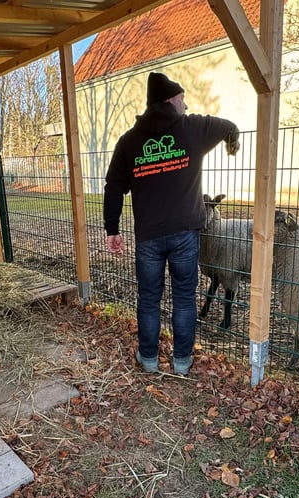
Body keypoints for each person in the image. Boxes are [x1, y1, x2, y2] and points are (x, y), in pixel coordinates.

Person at [103, 71, 240, 376]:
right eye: (182, 99)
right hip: (184, 235)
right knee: (183, 297)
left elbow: (113, 187)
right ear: (169, 100)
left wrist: (112, 229)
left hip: (148, 236)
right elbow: (229, 127)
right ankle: (181, 361)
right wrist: (234, 143)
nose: (187, 105)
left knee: (149, 298)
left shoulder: (128, 141)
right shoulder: (193, 129)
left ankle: (149, 359)